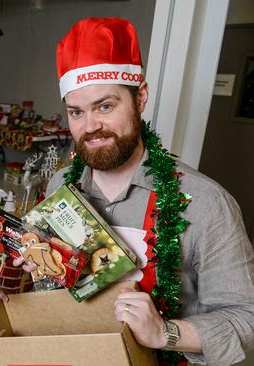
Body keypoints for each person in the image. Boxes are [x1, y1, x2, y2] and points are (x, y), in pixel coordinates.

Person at [34, 17, 254, 365]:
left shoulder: (207, 204)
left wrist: (164, 332)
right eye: (76, 112)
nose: (90, 127)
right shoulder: (61, 186)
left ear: (141, 98)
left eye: (105, 106)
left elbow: (246, 321)